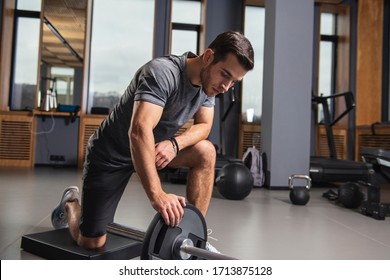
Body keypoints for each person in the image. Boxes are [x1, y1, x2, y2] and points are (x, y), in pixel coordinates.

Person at [51, 31, 254, 251]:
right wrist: (157, 195)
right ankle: (71, 202)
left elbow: (204, 126)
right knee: (91, 242)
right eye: (225, 74)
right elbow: (139, 131)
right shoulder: (162, 72)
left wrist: (174, 144)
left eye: (234, 81)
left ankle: (195, 235)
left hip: (152, 150)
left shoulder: (210, 85)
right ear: (208, 57)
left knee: (206, 152)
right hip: (111, 155)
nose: (226, 86)